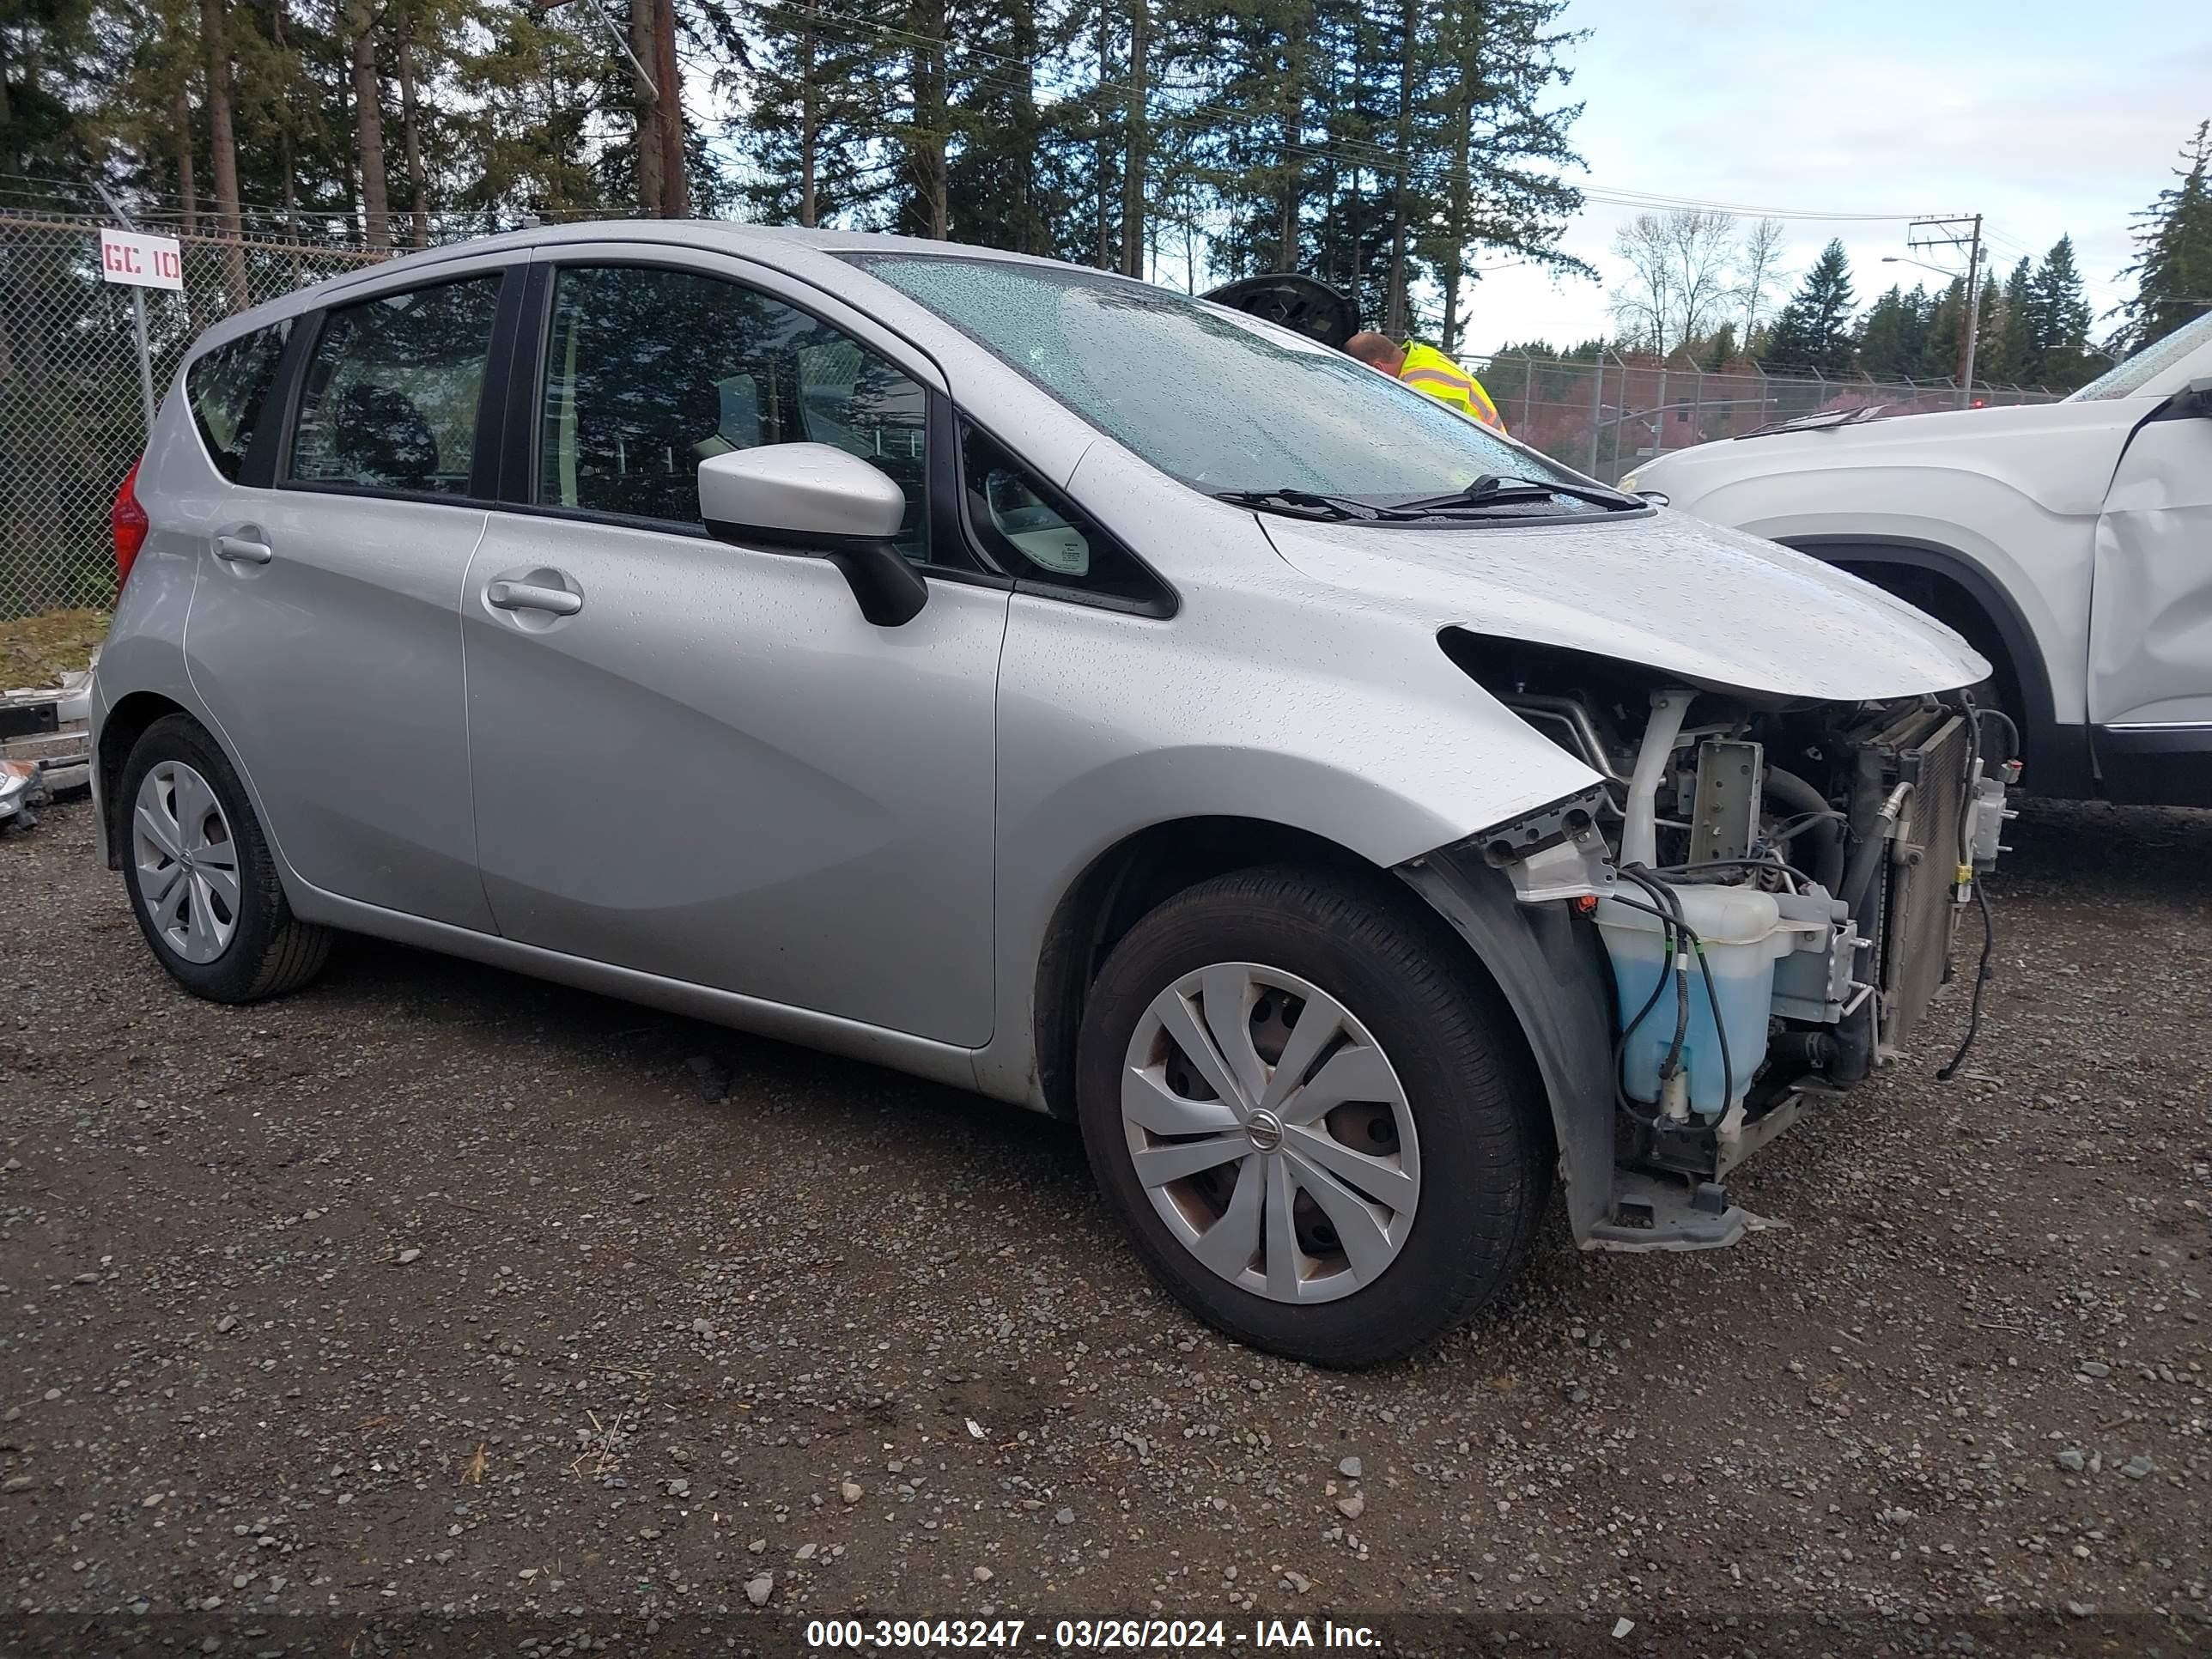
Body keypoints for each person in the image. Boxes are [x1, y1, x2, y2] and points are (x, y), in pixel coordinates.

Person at [1344, 331, 1507, 434]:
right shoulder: (1420, 355)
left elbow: (1410, 444)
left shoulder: (1423, 387)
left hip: (1474, 476)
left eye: (1366, 379)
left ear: (1378, 369)